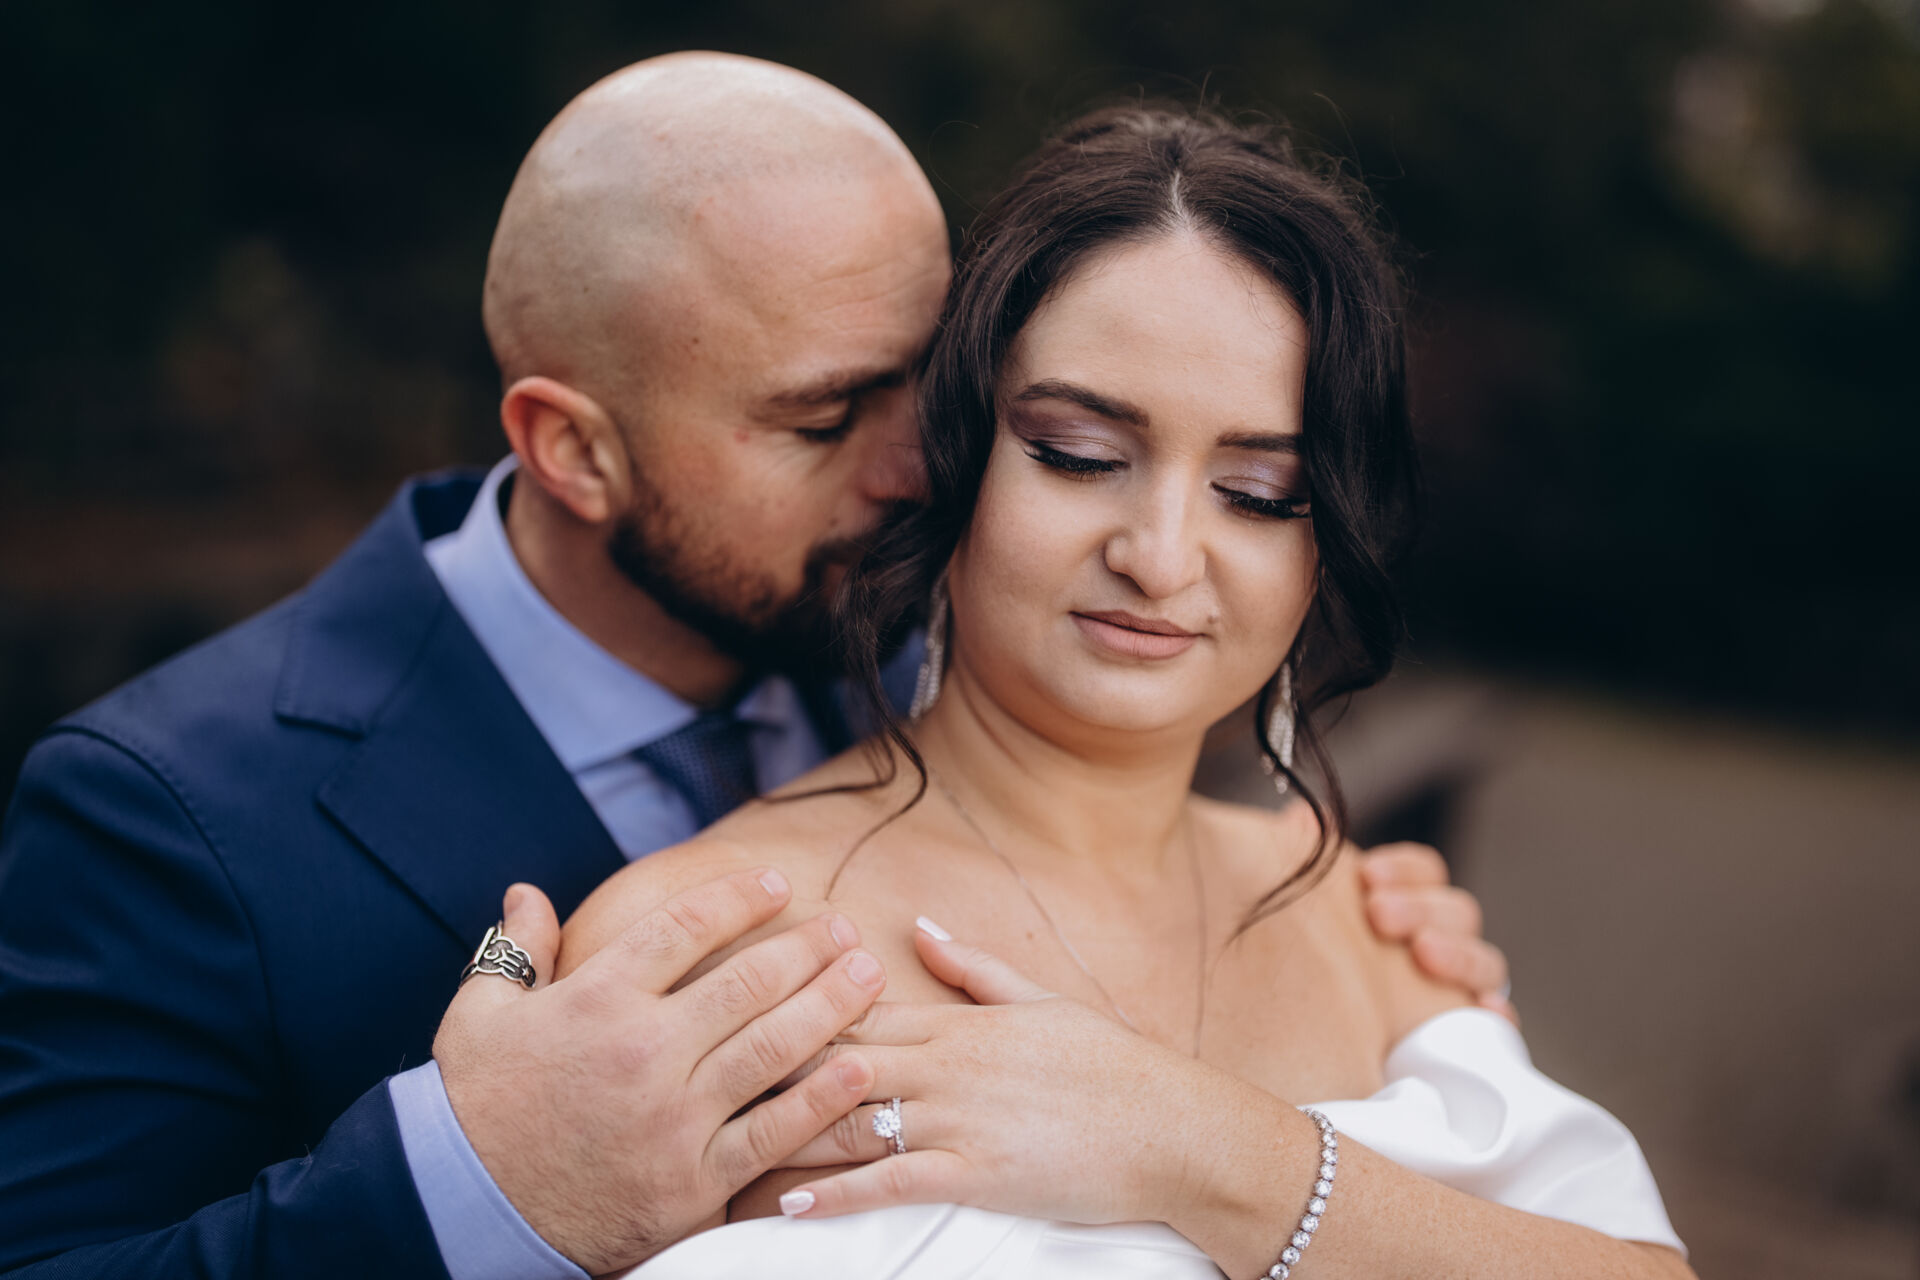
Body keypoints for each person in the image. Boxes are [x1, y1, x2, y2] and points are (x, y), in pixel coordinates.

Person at [0, 55, 1506, 1280]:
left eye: (939, 386)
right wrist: (473, 1184)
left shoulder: (938, 625)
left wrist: (1342, 954)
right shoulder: (169, 810)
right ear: (573, 450)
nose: (924, 465)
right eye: (824, 417)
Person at [556, 104, 1693, 1278]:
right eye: (1080, 454)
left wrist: (1214, 1151)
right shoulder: (715, 953)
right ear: (949, 458)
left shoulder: (1371, 925)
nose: (1160, 555)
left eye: (1259, 492)